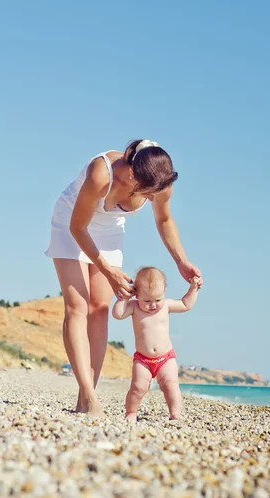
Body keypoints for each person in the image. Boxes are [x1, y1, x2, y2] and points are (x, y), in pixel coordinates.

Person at [46, 139, 202, 416]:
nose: (154, 198)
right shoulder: (101, 173)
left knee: (100, 309)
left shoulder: (159, 180)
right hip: (73, 222)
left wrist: (181, 261)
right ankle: (91, 397)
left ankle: (85, 397)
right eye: (149, 193)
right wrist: (108, 270)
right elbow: (77, 227)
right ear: (132, 174)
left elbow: (164, 220)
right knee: (77, 306)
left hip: (109, 231)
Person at [112, 267, 201, 422]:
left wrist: (193, 289)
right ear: (137, 294)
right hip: (143, 359)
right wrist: (124, 298)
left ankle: (175, 413)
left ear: (164, 292)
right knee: (138, 387)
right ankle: (131, 413)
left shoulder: (166, 305)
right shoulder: (133, 306)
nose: (153, 305)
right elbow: (118, 314)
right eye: (147, 301)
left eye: (157, 299)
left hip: (166, 358)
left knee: (171, 385)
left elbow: (186, 304)